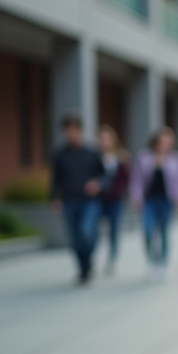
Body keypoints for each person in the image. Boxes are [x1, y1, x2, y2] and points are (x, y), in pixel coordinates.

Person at [49, 113, 104, 285]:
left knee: (86, 232)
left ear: (80, 131)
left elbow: (104, 175)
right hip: (68, 200)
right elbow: (55, 178)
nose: (70, 133)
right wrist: (54, 198)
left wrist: (97, 183)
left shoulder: (92, 152)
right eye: (67, 130)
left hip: (89, 201)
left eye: (74, 130)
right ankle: (84, 269)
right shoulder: (60, 154)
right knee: (74, 239)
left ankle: (88, 260)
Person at [130, 127, 178, 281]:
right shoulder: (145, 157)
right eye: (162, 141)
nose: (164, 145)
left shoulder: (176, 159)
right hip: (149, 201)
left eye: (168, 142)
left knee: (163, 233)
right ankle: (151, 262)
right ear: (156, 142)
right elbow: (137, 180)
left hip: (167, 201)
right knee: (148, 231)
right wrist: (136, 197)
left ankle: (163, 264)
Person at [96, 125, 130, 276]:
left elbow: (125, 178)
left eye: (107, 139)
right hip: (98, 200)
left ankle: (112, 258)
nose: (105, 142)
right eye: (102, 139)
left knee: (114, 230)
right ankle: (93, 258)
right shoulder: (95, 157)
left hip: (115, 200)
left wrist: (117, 191)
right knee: (93, 229)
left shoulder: (120, 157)